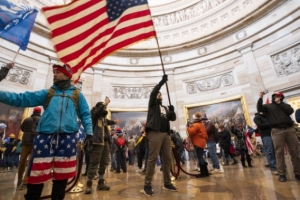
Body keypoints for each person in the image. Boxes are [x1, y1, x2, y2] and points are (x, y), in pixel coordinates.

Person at [0, 63, 93, 200]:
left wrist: (89, 133)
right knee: (37, 174)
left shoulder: (77, 95)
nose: (54, 75)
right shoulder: (47, 93)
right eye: (54, 72)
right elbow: (21, 99)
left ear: (66, 75)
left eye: (57, 72)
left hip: (67, 138)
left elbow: (85, 115)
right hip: (45, 137)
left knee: (62, 177)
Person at [142, 74, 177, 196]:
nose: (159, 94)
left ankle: (167, 182)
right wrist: (162, 82)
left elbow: (172, 118)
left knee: (168, 158)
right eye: (158, 93)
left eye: (160, 94)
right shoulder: (152, 105)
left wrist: (172, 110)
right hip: (154, 133)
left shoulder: (164, 108)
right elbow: (154, 92)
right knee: (152, 158)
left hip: (165, 134)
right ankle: (147, 184)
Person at [257, 91, 300, 182]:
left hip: (289, 129)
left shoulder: (285, 105)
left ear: (281, 97)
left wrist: (280, 103)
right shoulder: (269, 107)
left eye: (278, 96)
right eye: (274, 96)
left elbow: (290, 111)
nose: (276, 97)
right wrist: (260, 98)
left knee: (295, 151)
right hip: (277, 131)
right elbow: (259, 108)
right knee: (279, 152)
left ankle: (298, 172)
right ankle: (282, 173)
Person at [84, 98, 120, 194]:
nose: (105, 109)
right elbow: (97, 112)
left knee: (104, 162)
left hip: (105, 142)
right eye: (103, 107)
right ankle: (89, 184)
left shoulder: (103, 118)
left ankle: (101, 182)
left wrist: (114, 122)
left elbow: (108, 121)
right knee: (94, 163)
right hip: (96, 142)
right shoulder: (94, 116)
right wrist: (104, 103)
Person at [17, 107, 42, 189]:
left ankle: (19, 180)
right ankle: (25, 181)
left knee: (22, 161)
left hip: (26, 142)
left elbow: (22, 129)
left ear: (33, 111)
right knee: (31, 162)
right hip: (36, 143)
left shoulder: (27, 119)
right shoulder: (41, 120)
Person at [187, 112, 209, 178]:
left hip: (197, 143)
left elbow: (191, 132)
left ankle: (203, 173)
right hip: (201, 142)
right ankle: (205, 172)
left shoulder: (196, 125)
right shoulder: (201, 124)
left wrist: (188, 127)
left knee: (200, 157)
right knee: (201, 157)